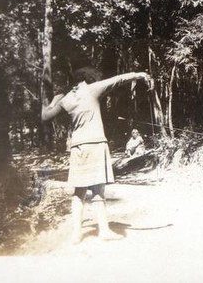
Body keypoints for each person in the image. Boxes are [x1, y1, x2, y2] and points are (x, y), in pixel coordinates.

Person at [42, 66, 151, 243]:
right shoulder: (91, 89)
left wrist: (55, 98)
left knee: (79, 192)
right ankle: (104, 231)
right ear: (89, 78)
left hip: (78, 148)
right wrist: (138, 74)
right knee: (98, 191)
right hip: (96, 144)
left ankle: (76, 234)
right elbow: (118, 79)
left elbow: (45, 116)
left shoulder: (67, 99)